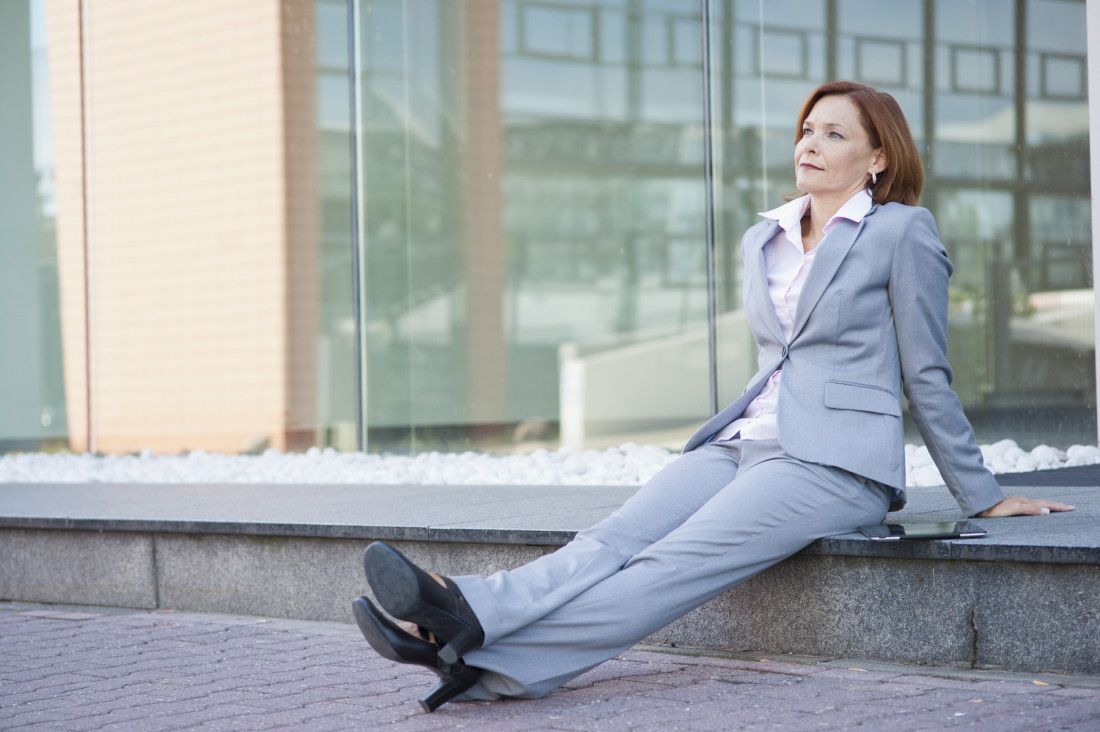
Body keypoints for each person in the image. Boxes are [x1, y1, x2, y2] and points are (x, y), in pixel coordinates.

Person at [351, 80, 1075, 713]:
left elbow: (927, 372)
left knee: (671, 564)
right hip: (741, 441)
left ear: (878, 157)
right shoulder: (766, 237)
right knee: (612, 540)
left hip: (833, 464)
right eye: (807, 129)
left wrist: (980, 495)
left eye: (835, 134)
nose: (810, 144)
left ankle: (483, 666)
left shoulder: (902, 231)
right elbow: (777, 356)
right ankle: (464, 608)